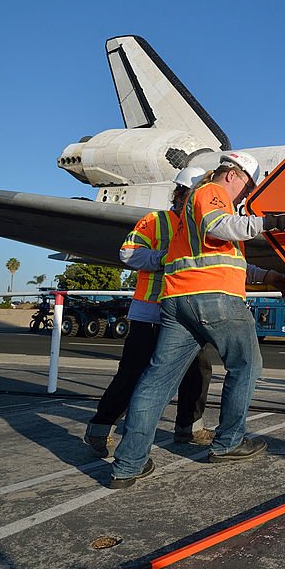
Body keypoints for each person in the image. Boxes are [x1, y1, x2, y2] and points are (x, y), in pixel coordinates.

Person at [109, 152, 285, 488]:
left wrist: (270, 276)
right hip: (216, 301)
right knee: (245, 367)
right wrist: (271, 222)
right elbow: (222, 228)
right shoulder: (211, 192)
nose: (246, 195)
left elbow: (222, 261)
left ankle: (127, 465)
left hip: (177, 302)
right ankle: (229, 443)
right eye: (247, 186)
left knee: (157, 381)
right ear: (234, 174)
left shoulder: (190, 218)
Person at [84, 167, 215, 458]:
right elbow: (128, 253)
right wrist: (165, 258)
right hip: (151, 313)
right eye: (197, 194)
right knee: (133, 373)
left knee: (198, 371)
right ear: (182, 194)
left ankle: (189, 428)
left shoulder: (202, 226)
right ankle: (100, 427)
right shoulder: (156, 221)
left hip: (189, 313)